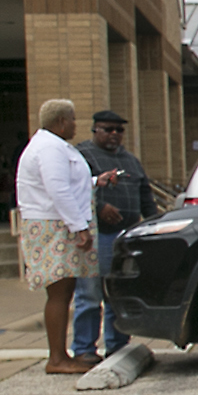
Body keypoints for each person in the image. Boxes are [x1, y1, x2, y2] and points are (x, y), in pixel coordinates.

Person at [14, 98, 117, 376]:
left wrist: (97, 181)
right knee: (59, 293)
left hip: (58, 223)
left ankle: (61, 355)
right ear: (61, 121)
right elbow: (58, 189)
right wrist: (79, 227)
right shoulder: (49, 148)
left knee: (66, 291)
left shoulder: (54, 146)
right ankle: (57, 358)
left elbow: (71, 183)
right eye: (72, 119)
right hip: (53, 226)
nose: (75, 124)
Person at [71, 109, 157, 360]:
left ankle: (118, 346)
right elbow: (70, 192)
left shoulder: (130, 160)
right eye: (108, 129)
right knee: (89, 295)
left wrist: (152, 226)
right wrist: (99, 209)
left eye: (119, 130)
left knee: (117, 293)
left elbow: (146, 198)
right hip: (97, 237)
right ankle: (84, 349)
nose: (114, 134)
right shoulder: (81, 156)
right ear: (95, 130)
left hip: (128, 237)